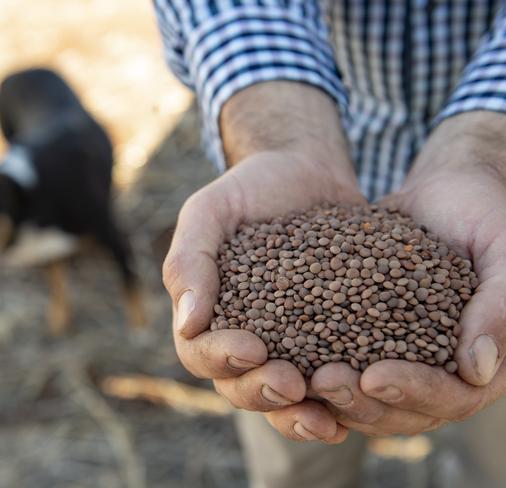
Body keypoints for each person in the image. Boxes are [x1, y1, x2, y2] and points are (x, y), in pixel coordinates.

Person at [153, 1, 506, 487]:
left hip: (495, 226)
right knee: (298, 448)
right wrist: (278, 135)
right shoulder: (274, 260)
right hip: (307, 151)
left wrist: (489, 152)